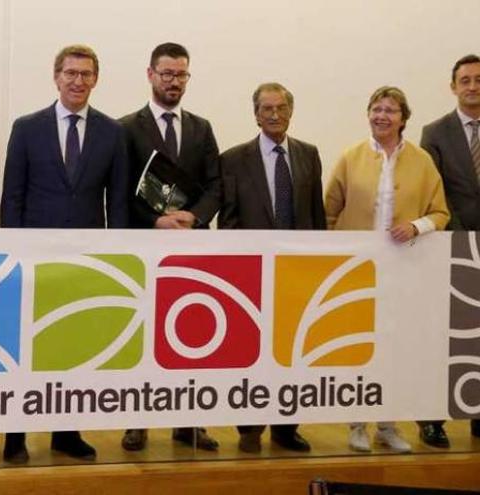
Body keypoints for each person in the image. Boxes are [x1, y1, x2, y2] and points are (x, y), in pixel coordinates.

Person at [0, 44, 129, 464]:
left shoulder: (113, 133)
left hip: (86, 262)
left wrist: (117, 257)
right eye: (70, 73)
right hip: (33, 260)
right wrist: (13, 253)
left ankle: (66, 432)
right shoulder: (26, 127)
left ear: (96, 79)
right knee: (23, 350)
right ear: (56, 77)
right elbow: (12, 196)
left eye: (86, 74)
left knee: (74, 348)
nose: (78, 81)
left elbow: (120, 203)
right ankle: (14, 436)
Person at [325, 86, 449, 454]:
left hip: (404, 270)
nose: (382, 116)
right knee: (358, 347)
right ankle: (357, 423)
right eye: (376, 109)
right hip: (358, 272)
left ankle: (388, 424)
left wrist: (416, 227)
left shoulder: (422, 160)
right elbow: (329, 212)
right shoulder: (351, 157)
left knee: (394, 348)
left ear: (403, 118)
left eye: (390, 110)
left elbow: (441, 213)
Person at [118, 42, 219, 453]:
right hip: (145, 247)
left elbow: (217, 185)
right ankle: (137, 422)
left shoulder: (201, 128)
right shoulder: (125, 128)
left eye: (181, 75)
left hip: (190, 247)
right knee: (143, 336)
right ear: (150, 75)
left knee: (192, 333)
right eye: (167, 74)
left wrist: (193, 217)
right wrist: (156, 220)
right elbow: (120, 192)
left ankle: (188, 422)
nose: (174, 82)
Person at [219, 82, 325, 454]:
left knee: (292, 351)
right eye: (267, 109)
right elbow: (228, 219)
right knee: (250, 351)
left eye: (281, 108)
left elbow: (316, 215)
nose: (275, 115)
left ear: (291, 111)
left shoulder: (309, 155)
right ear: (256, 114)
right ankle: (249, 428)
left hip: (298, 272)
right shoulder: (232, 159)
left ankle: (285, 427)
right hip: (250, 273)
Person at [419, 54, 480, 449]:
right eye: (465, 80)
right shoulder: (435, 132)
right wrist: (462, 240)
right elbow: (433, 192)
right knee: (442, 338)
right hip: (452, 249)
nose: (473, 86)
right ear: (453, 86)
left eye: (478, 80)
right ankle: (431, 419)